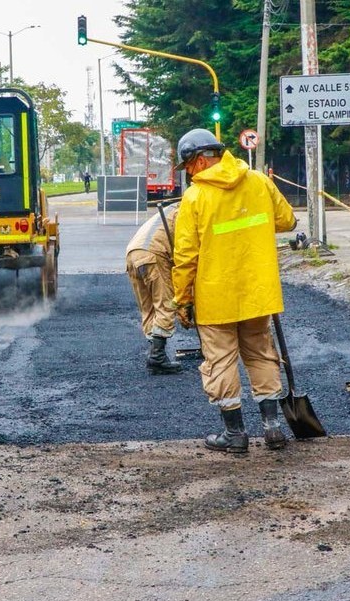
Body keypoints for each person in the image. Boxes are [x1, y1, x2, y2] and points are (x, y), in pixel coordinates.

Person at [171, 129, 297, 453]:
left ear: (199, 160)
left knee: (221, 361)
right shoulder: (258, 181)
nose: (187, 175)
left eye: (187, 167)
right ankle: (273, 429)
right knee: (261, 355)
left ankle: (235, 434)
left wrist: (182, 300)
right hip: (258, 291)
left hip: (217, 296)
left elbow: (185, 256)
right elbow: (287, 220)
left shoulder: (195, 197)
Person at [125, 205, 184, 375]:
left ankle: (156, 353)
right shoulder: (186, 212)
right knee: (165, 304)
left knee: (148, 308)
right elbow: (186, 251)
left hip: (132, 254)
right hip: (154, 254)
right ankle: (157, 356)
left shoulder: (170, 210)